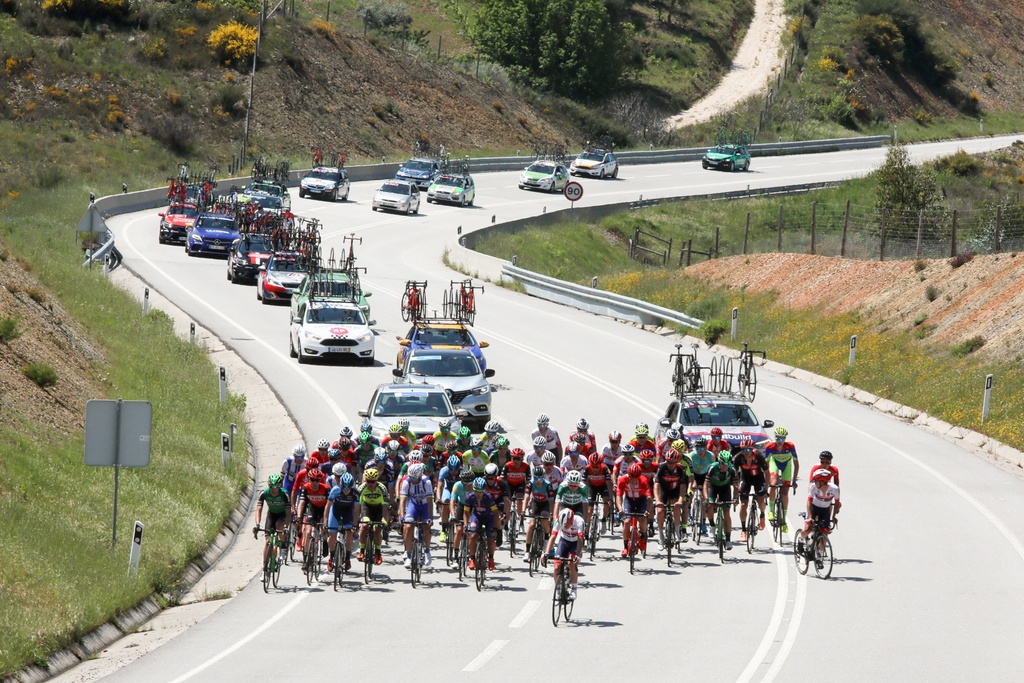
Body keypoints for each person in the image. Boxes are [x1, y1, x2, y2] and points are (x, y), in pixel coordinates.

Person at [543, 508, 585, 601]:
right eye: (563, 526)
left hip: (575, 543)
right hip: (564, 542)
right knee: (556, 567)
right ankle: (558, 591)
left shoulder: (579, 521)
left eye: (567, 525)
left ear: (571, 519)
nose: (565, 527)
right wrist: (546, 553)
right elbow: (553, 536)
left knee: (571, 563)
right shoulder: (559, 521)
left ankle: (574, 589)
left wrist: (577, 555)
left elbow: (580, 540)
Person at [764, 426, 799, 533]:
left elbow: (796, 464)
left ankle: (783, 520)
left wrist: (794, 481)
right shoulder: (769, 446)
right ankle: (770, 511)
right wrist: (766, 481)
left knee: (784, 493)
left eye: (782, 439)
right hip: (774, 462)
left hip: (786, 465)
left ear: (785, 439)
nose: (780, 441)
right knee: (773, 483)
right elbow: (766, 465)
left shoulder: (790, 446)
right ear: (775, 438)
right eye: (778, 439)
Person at [733, 438, 769, 543]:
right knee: (743, 504)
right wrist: (737, 489)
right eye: (743, 449)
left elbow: (767, 473)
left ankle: (762, 514)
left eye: (748, 450)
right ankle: (744, 530)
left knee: (760, 499)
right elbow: (735, 475)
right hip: (746, 479)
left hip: (759, 478)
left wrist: (766, 489)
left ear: (752, 449)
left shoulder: (758, 456)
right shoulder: (738, 457)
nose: (746, 452)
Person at [654, 448, 691, 545]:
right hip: (664, 490)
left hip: (676, 490)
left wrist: (680, 500)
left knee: (677, 507)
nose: (670, 465)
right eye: (668, 462)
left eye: (673, 463)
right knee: (660, 510)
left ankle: (678, 531)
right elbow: (656, 485)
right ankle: (661, 535)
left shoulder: (681, 468)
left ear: (677, 461)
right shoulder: (661, 467)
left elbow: (683, 486)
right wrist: (658, 500)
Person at [400, 463, 434, 568]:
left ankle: (427, 552)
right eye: (411, 477)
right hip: (413, 505)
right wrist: (402, 516)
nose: (413, 480)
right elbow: (403, 501)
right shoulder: (406, 482)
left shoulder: (426, 482)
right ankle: (409, 555)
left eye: (416, 478)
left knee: (426, 527)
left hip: (424, 506)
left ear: (420, 475)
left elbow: (429, 501)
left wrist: (430, 518)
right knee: (408, 526)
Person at [295, 468, 331, 569]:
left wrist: (325, 521)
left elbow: (329, 506)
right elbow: (301, 503)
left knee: (323, 527)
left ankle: (324, 540)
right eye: (312, 480)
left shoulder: (326, 489)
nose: (315, 482)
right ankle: (306, 559)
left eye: (317, 480)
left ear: (320, 480)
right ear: (309, 479)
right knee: (307, 531)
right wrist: (299, 517)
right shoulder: (305, 488)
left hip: (323, 510)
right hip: (312, 509)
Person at [253, 473, 290, 567]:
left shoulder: (284, 494)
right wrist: (257, 525)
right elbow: (258, 510)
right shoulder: (264, 493)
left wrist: (286, 526)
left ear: (280, 486)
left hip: (282, 515)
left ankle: (283, 546)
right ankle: (265, 567)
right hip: (271, 515)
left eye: (276, 487)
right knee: (267, 541)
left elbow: (288, 513)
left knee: (279, 526)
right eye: (271, 486)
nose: (273, 489)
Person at [464, 477, 501, 571]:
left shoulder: (488, 497)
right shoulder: (470, 497)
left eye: (481, 492)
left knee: (491, 538)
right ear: (473, 489)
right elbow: (466, 513)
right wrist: (465, 525)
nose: (479, 494)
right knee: (472, 536)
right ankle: (472, 559)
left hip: (489, 518)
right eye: (477, 491)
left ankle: (491, 558)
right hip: (476, 517)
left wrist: (496, 527)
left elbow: (496, 513)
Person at [703, 452, 738, 550]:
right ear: (719, 462)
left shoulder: (732, 469)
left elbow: (736, 486)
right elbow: (706, 485)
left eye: (727, 464)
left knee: (726, 512)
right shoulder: (712, 468)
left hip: (725, 488)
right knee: (710, 505)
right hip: (712, 487)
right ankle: (711, 525)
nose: (725, 466)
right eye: (723, 463)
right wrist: (706, 499)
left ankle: (728, 539)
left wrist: (735, 498)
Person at [798, 469, 841, 550]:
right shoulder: (813, 487)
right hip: (814, 508)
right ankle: (801, 539)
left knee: (825, 532)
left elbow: (837, 503)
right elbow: (809, 502)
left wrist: (834, 516)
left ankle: (819, 556)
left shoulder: (835, 489)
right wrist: (810, 517)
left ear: (822, 482)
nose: (814, 482)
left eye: (816, 480)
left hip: (825, 510)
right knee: (809, 529)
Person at [616, 462, 651, 557]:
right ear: (628, 475)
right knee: (626, 522)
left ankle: (643, 538)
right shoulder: (622, 479)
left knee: (643, 519)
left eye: (637, 477)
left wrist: (647, 510)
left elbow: (649, 498)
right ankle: (625, 547)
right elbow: (618, 496)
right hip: (629, 500)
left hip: (641, 500)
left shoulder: (643, 480)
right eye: (632, 477)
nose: (634, 479)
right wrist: (620, 509)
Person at [325, 472, 358, 571]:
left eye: (348, 488)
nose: (346, 491)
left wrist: (355, 525)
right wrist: (326, 521)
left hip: (348, 513)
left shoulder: (355, 493)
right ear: (341, 485)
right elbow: (328, 507)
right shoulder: (335, 490)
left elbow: (356, 511)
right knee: (332, 535)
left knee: (349, 533)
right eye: (344, 488)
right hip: (335, 512)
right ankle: (331, 558)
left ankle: (347, 558)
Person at [357, 467, 390, 565]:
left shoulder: (382, 488)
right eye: (368, 481)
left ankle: (378, 552)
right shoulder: (362, 488)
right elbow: (357, 504)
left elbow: (385, 505)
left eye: (373, 482)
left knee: (377, 530)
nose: (370, 484)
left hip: (379, 509)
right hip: (366, 508)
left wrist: (384, 519)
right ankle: (362, 550)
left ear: (377, 481)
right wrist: (357, 518)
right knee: (364, 526)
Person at [523, 465, 556, 561]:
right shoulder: (530, 483)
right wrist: (523, 510)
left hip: (545, 504)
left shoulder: (548, 485)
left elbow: (551, 501)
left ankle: (546, 540)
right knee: (531, 525)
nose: (538, 481)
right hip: (535, 503)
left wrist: (551, 514)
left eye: (540, 478)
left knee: (544, 519)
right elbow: (526, 497)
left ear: (544, 477)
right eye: (536, 478)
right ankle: (527, 551)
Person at [688, 438, 716, 534]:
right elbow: (689, 471)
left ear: (706, 448)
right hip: (695, 475)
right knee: (691, 488)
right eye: (698, 449)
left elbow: (713, 471)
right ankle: (688, 508)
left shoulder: (711, 456)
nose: (700, 451)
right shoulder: (691, 455)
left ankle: (703, 522)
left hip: (705, 476)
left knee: (705, 499)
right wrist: (693, 482)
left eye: (702, 449)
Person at [436, 454, 463, 543]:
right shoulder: (444, 471)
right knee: (445, 503)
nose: (454, 472)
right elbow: (439, 486)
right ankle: (443, 530)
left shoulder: (463, 471)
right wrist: (438, 498)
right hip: (448, 488)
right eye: (451, 469)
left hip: (458, 489)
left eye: (456, 470)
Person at [584, 453, 613, 532]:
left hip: (603, 486)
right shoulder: (587, 468)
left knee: (606, 504)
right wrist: (584, 496)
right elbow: (584, 483)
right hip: (592, 487)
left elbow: (609, 484)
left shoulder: (604, 469)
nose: (595, 469)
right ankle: (586, 531)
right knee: (589, 511)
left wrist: (610, 499)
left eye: (597, 467)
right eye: (593, 467)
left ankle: (604, 520)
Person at [501, 447, 531, 523]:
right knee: (508, 502)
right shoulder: (507, 466)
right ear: (511, 458)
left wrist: (528, 495)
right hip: (509, 485)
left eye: (518, 459)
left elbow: (528, 482)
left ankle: (520, 520)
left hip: (520, 484)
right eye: (514, 458)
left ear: (522, 459)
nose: (516, 461)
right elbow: (502, 480)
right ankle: (506, 522)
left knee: (519, 500)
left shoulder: (526, 466)